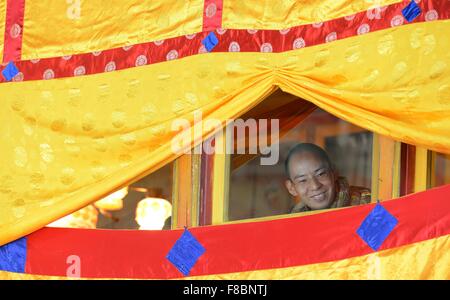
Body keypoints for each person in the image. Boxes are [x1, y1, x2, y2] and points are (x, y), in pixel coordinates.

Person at [284, 143, 371, 213]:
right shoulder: (294, 221)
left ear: (334, 172)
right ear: (291, 188)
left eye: (321, 174)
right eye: (303, 180)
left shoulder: (369, 204)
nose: (315, 186)